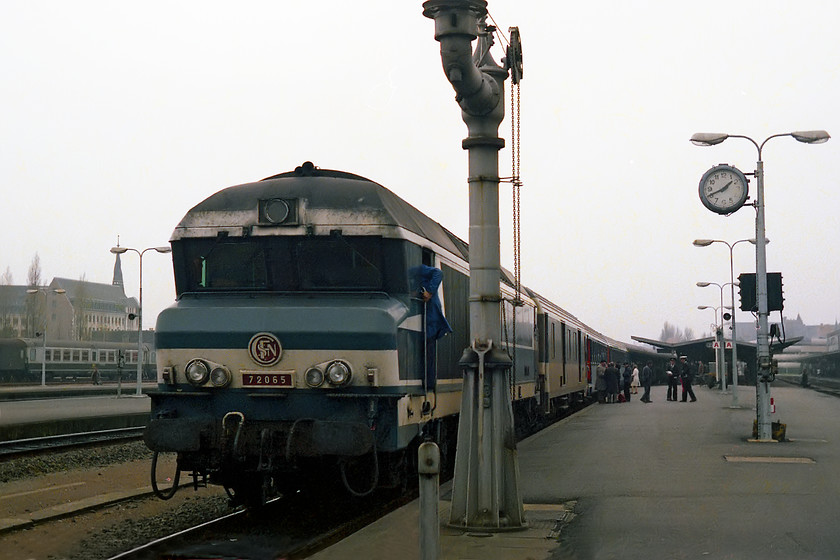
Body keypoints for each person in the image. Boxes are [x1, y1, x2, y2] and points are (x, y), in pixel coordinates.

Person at [410, 264, 452, 389]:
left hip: (429, 318)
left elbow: (438, 273)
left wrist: (429, 291)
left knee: (428, 351)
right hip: (417, 318)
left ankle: (428, 385)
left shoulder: (416, 268)